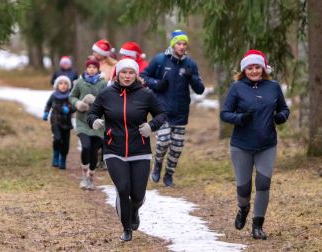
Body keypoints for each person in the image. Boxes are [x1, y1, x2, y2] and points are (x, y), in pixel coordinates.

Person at [87, 58, 166, 241]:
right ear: (117, 74)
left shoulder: (145, 94)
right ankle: (126, 229)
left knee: (137, 195)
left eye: (131, 72)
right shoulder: (106, 94)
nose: (127, 76)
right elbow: (92, 113)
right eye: (124, 72)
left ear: (136, 75)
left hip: (140, 150)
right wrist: (95, 122)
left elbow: (161, 114)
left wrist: (151, 126)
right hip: (114, 149)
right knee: (123, 189)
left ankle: (135, 209)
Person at [220, 49, 290, 240]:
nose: (253, 71)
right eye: (249, 68)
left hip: (267, 144)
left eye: (257, 67)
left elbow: (284, 108)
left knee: (263, 184)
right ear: (244, 70)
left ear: (263, 68)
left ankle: (257, 226)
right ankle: (243, 208)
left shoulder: (273, 87)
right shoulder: (237, 88)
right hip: (241, 145)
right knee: (244, 187)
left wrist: (281, 116)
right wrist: (240, 118)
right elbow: (224, 113)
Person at [141, 29, 205, 187]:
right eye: (179, 43)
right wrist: (157, 84)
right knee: (163, 141)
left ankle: (169, 175)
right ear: (173, 44)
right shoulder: (160, 60)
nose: (182, 46)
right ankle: (157, 166)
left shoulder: (190, 63)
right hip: (162, 109)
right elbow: (144, 76)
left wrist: (192, 78)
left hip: (181, 112)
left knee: (177, 147)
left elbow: (200, 89)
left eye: (184, 44)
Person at [69, 58, 107, 190]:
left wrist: (95, 100)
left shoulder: (103, 83)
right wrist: (78, 103)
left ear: (98, 69)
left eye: (94, 67)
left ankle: (91, 176)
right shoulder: (80, 82)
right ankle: (84, 175)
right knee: (86, 147)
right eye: (89, 67)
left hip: (98, 122)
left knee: (94, 150)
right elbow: (72, 96)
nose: (91, 69)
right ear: (86, 69)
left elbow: (107, 100)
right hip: (82, 120)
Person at [43, 76, 76, 170]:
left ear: (68, 86)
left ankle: (63, 159)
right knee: (57, 139)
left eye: (65, 84)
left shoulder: (70, 96)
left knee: (65, 143)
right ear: (57, 85)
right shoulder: (54, 95)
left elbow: (74, 107)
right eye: (61, 83)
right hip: (55, 121)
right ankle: (56, 155)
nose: (63, 86)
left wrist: (69, 109)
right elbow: (48, 104)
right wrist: (46, 113)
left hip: (66, 123)